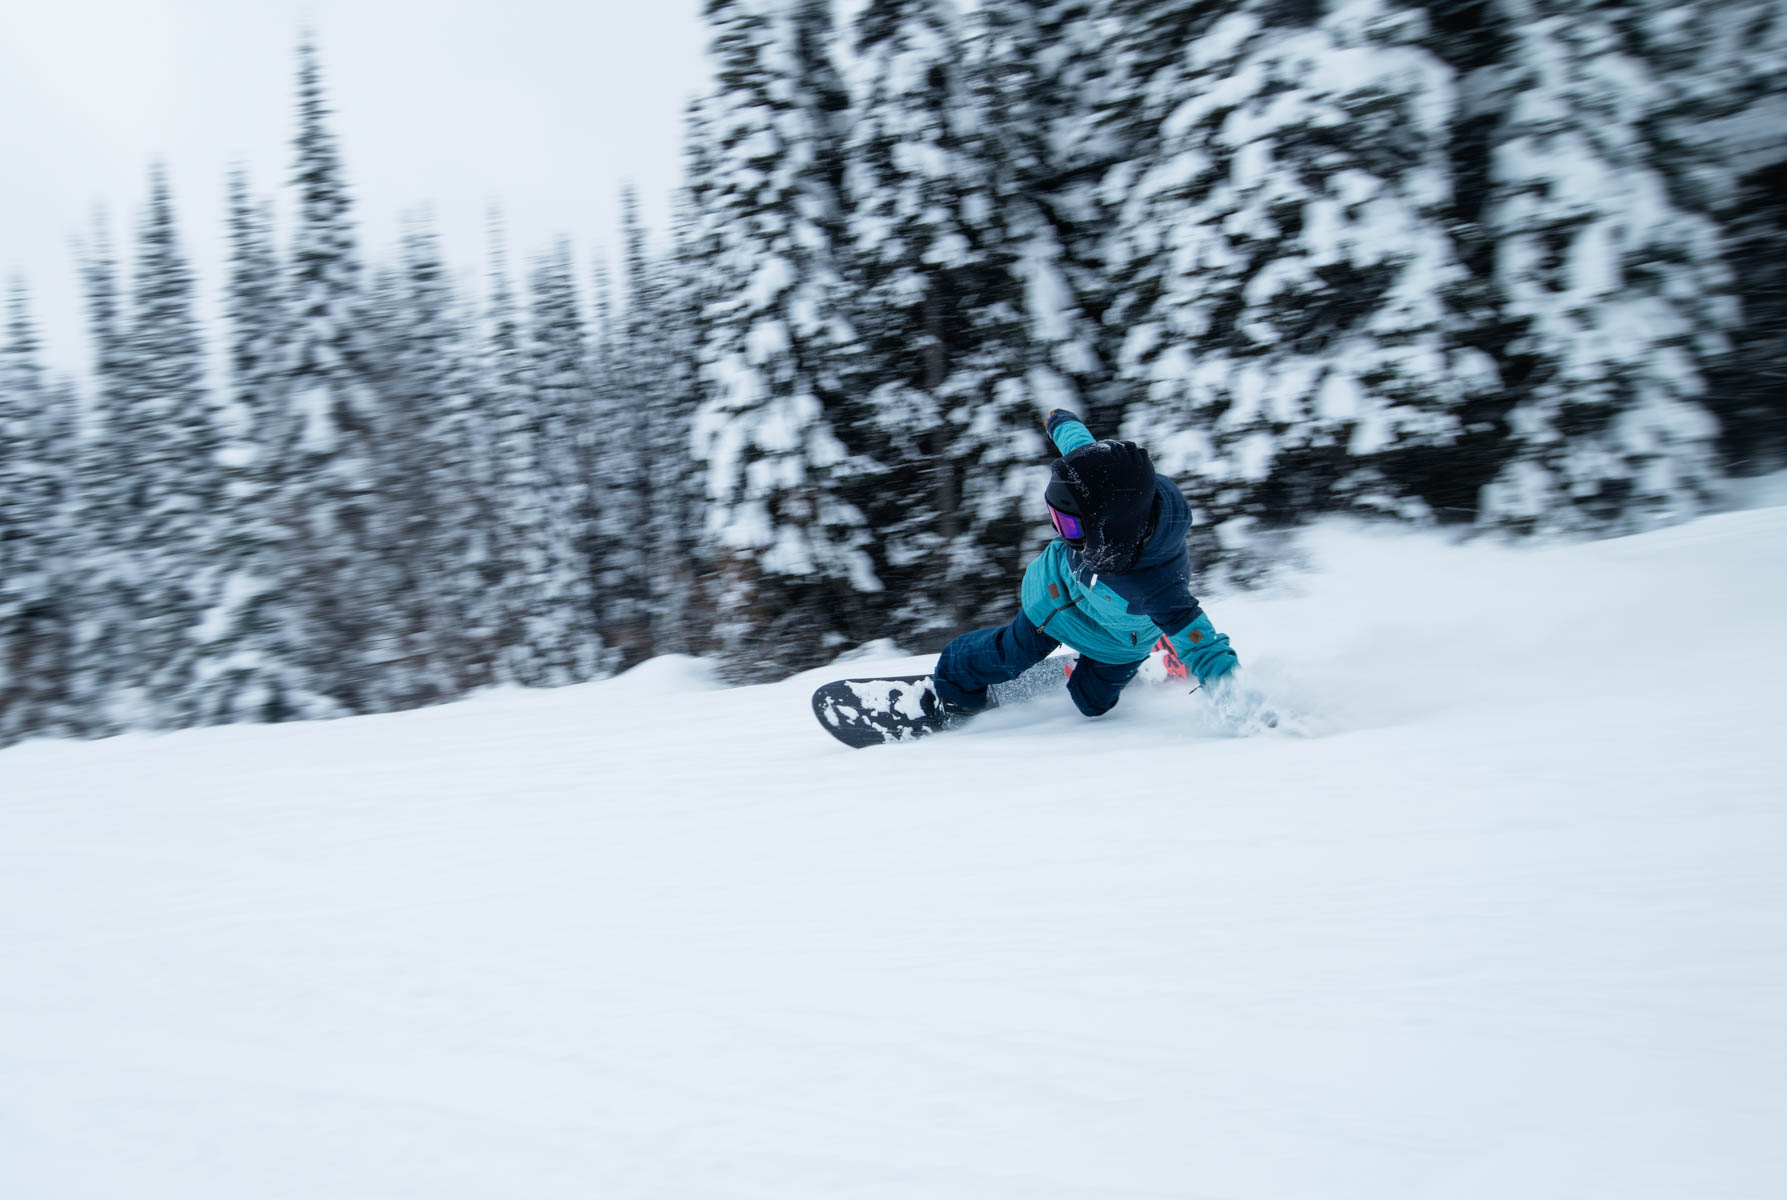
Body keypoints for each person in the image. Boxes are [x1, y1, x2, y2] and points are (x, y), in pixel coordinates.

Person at [931, 408, 1240, 719]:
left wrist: (1237, 700)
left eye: (1069, 525)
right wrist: (1059, 420)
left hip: (1118, 642)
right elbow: (1081, 448)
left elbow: (1205, 648)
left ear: (1113, 528)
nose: (1061, 534)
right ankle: (953, 681)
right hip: (1055, 596)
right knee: (1013, 653)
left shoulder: (1158, 588)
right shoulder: (1108, 481)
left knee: (1092, 704)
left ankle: (1156, 647)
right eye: (1058, 520)